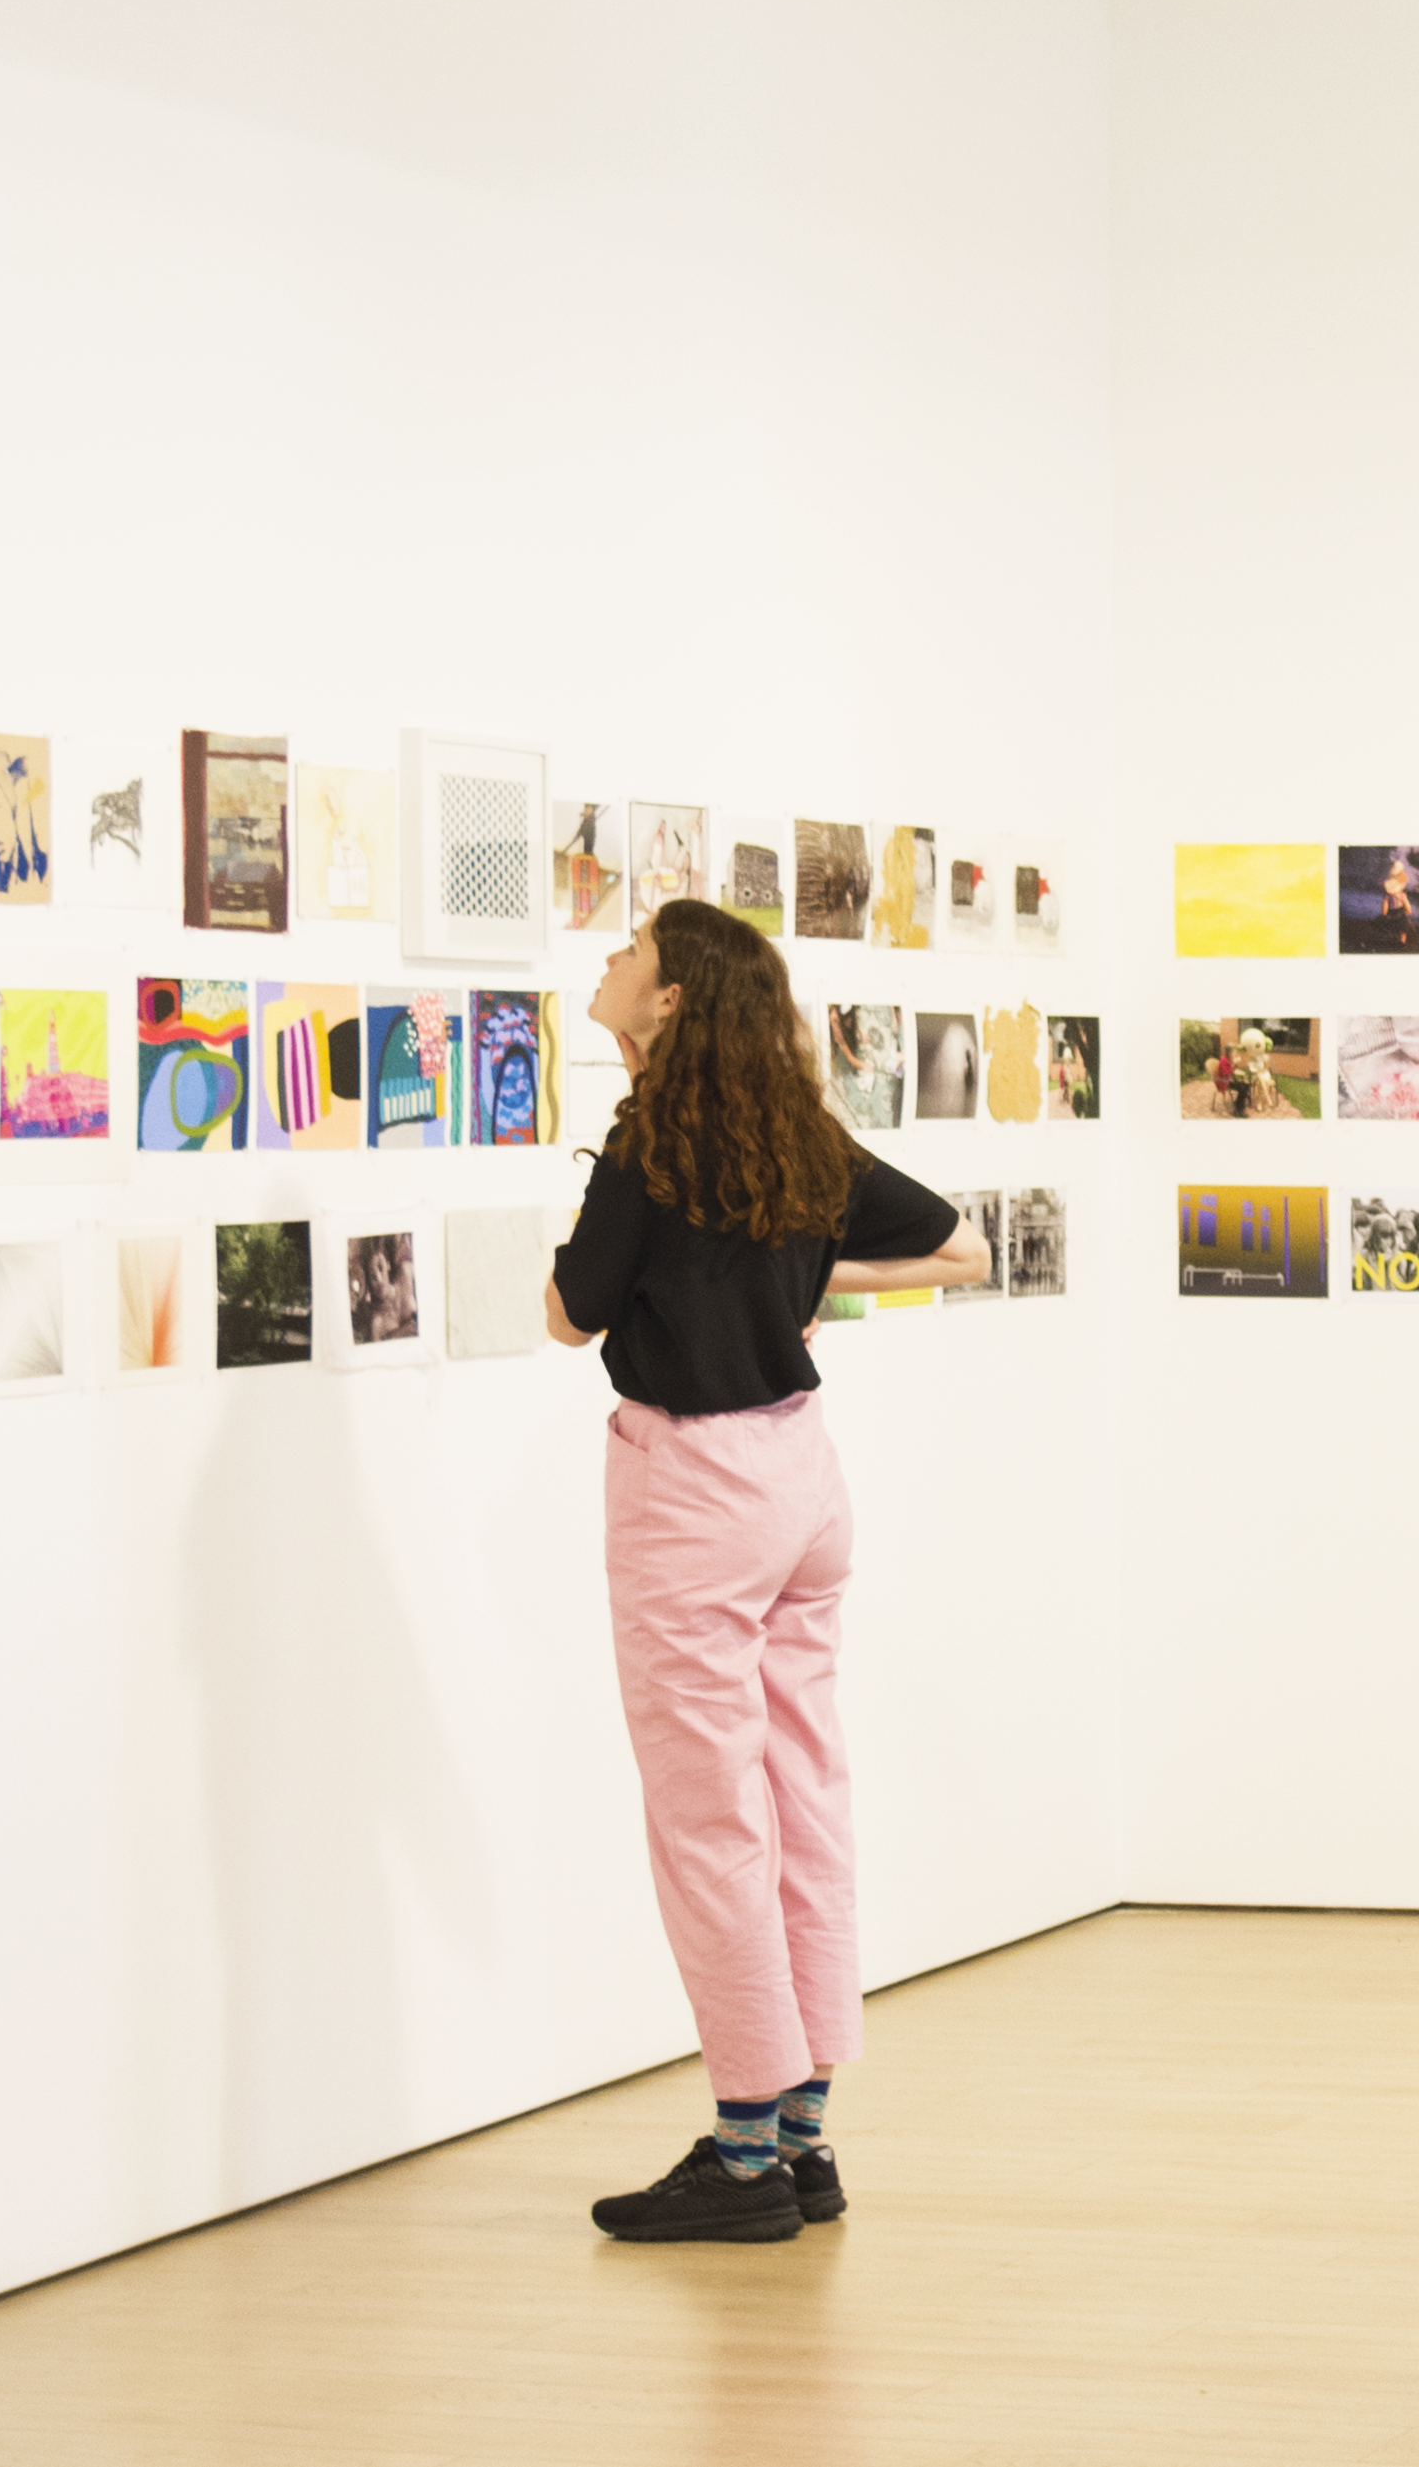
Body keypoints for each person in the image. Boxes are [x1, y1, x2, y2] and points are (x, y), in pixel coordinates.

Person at [545, 900, 986, 2245]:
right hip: (802, 1482)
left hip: (693, 1493)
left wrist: (748, 1275)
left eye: (628, 953)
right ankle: (802, 2140)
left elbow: (571, 1315)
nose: (607, 964)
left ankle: (742, 2158)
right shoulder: (796, 1132)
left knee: (709, 1821)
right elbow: (958, 1246)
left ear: (670, 1000)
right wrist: (793, 1275)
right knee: (804, 1792)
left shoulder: (646, 1144)